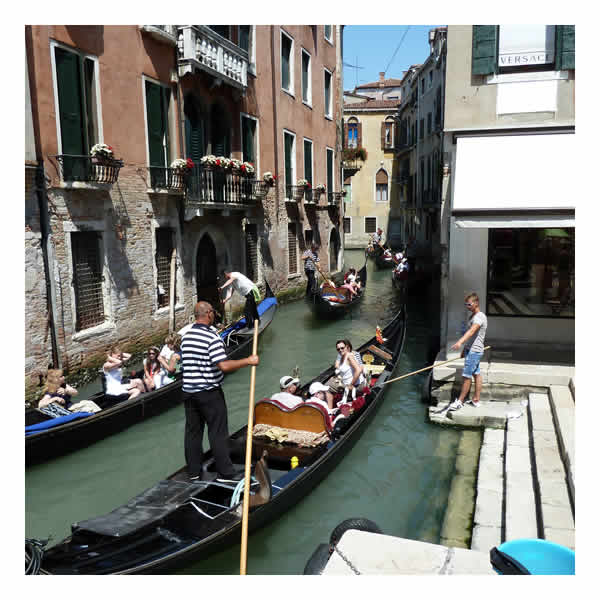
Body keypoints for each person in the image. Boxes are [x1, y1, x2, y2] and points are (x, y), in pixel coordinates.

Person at [181, 300, 259, 482]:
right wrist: (248, 361)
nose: (215, 314)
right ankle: (225, 473)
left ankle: (193, 472)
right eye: (213, 312)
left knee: (193, 433)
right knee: (217, 432)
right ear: (208, 313)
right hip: (209, 392)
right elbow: (223, 365)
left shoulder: (186, 336)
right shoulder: (211, 337)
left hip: (189, 392)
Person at [448, 293, 488, 411]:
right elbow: (471, 337)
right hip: (471, 350)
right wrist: (464, 350)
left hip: (474, 351)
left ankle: (460, 401)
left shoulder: (479, 317)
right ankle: (475, 400)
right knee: (476, 373)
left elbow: (471, 332)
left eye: (469, 304)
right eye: (466, 304)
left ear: (476, 303)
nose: (467, 306)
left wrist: (460, 342)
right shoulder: (473, 315)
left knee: (466, 376)